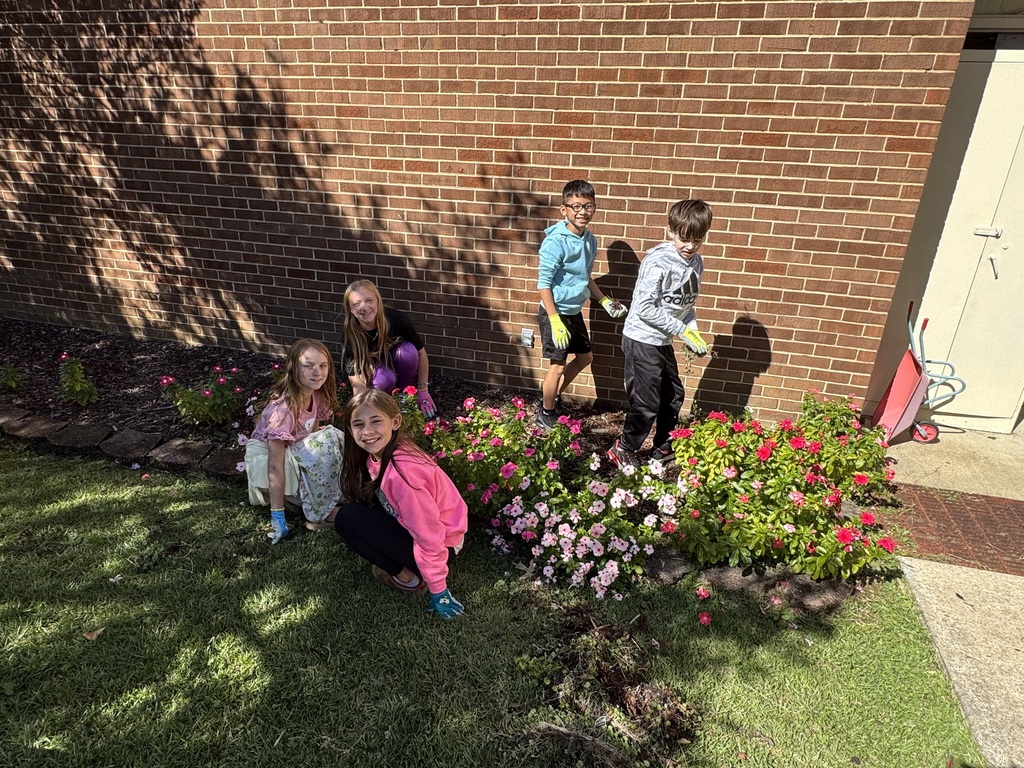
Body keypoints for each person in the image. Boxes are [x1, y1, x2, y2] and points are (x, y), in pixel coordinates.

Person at [334, 389, 468, 619]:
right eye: (358, 424)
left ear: (395, 421)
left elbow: (429, 534)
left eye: (376, 421)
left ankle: (409, 578)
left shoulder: (404, 475)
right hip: (428, 528)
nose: (367, 432)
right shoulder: (380, 453)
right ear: (349, 429)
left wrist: (439, 590)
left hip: (442, 543)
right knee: (358, 512)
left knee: (346, 518)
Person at [607, 199, 715, 468]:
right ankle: (623, 447)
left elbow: (685, 306)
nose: (690, 246)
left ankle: (663, 448)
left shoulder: (696, 263)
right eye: (684, 238)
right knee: (647, 402)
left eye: (697, 240)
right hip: (641, 338)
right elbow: (644, 308)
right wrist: (681, 331)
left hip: (662, 339)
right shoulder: (658, 262)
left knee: (673, 395)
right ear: (670, 230)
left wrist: (693, 331)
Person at [536, 179, 628, 431]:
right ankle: (545, 413)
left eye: (588, 206)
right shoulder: (556, 242)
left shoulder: (590, 240)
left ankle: (548, 397)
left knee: (585, 357)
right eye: (575, 206)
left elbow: (585, 277)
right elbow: (543, 284)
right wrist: (554, 319)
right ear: (563, 209)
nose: (582, 212)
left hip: (573, 311)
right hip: (554, 312)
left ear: (594, 208)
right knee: (557, 364)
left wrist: (604, 300)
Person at [244, 339, 344, 542]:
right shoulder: (283, 410)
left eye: (322, 365)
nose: (317, 372)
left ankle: (319, 497)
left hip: (291, 454)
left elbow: (314, 438)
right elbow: (274, 467)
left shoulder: (316, 395)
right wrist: (277, 516)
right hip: (269, 461)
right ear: (293, 369)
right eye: (308, 366)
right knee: (330, 438)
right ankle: (319, 512)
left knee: (329, 438)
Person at [340, 279, 436, 418]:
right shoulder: (351, 336)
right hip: (375, 374)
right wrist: (364, 414)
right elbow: (357, 383)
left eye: (369, 300)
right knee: (385, 379)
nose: (364, 307)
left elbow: (421, 354)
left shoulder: (396, 319)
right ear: (350, 309)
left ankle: (403, 395)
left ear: (378, 301)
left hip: (395, 361)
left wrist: (423, 390)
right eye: (356, 304)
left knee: (408, 352)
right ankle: (382, 403)